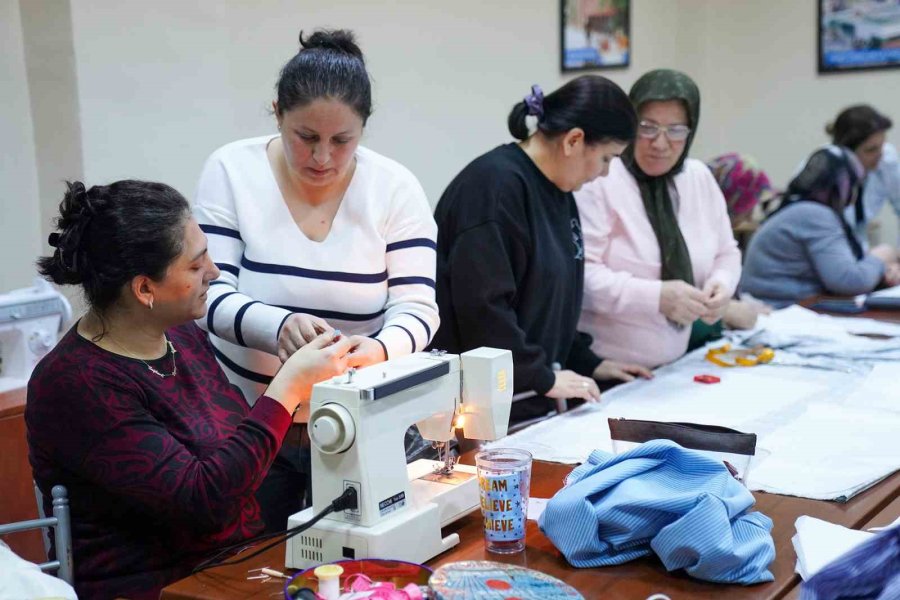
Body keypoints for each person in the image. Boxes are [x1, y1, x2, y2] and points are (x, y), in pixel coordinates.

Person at [26, 180, 353, 600]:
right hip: (158, 589)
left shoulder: (180, 336)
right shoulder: (75, 384)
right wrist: (288, 387)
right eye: (196, 266)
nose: (214, 274)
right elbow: (203, 502)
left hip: (240, 569)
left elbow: (234, 452)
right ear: (145, 289)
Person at [193, 30, 439, 529]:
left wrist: (379, 352)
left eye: (341, 141)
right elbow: (207, 295)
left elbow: (418, 308)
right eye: (306, 137)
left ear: (363, 130)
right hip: (251, 423)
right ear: (277, 112)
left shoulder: (395, 189)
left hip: (361, 420)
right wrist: (277, 327)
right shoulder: (232, 170)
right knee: (251, 568)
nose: (322, 157)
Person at [431, 76, 652, 425]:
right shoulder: (493, 188)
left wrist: (587, 361)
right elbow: (483, 311)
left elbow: (548, 302)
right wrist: (543, 376)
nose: (605, 173)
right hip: (482, 409)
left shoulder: (559, 191)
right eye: (607, 159)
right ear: (574, 140)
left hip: (530, 398)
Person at [575, 69, 742, 369]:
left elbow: (726, 252)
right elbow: (581, 277)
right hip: (609, 368)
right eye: (647, 127)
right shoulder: (601, 178)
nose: (661, 143)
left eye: (676, 130)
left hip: (676, 366)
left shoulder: (698, 178)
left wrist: (721, 284)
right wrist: (656, 297)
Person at [740, 146, 900, 307]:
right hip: (781, 312)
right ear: (844, 185)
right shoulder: (814, 215)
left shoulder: (800, 208)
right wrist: (882, 256)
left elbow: (841, 267)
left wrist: (879, 269)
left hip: (783, 306)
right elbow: (848, 281)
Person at [827, 105, 900, 248]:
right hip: (829, 247)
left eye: (882, 146)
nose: (879, 155)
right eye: (871, 150)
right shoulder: (822, 169)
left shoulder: (887, 159)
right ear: (846, 151)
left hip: (860, 244)